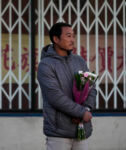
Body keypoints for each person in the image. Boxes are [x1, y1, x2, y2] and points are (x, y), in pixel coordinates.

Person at [37, 22, 97, 150]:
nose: (72, 40)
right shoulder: (46, 65)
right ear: (56, 39)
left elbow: (91, 87)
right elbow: (55, 97)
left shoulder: (79, 61)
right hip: (59, 133)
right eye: (68, 36)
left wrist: (86, 109)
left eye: (73, 36)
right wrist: (80, 112)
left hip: (81, 129)